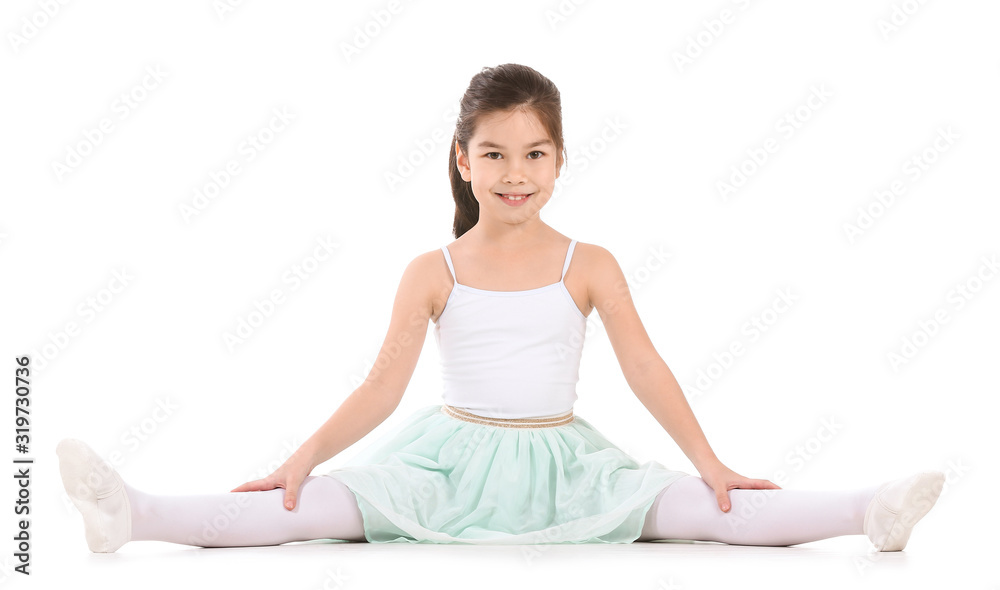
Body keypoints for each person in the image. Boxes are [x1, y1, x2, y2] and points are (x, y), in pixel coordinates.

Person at [56, 63, 944, 553]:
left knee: (702, 510)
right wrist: (298, 460)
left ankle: (871, 507)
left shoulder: (587, 262)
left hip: (564, 462)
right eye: (494, 153)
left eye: (534, 154)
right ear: (461, 159)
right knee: (318, 511)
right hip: (448, 462)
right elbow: (379, 386)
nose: (515, 174)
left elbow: (644, 367)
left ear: (559, 162)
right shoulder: (431, 269)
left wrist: (711, 460)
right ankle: (136, 512)